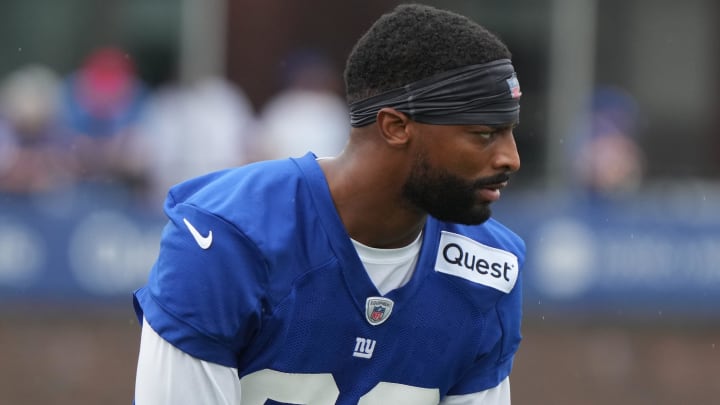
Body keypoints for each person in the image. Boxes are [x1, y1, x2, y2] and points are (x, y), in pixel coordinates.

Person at [133, 3, 526, 404]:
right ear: (396, 127)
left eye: (510, 132)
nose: (511, 158)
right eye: (484, 133)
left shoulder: (490, 266)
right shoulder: (227, 237)